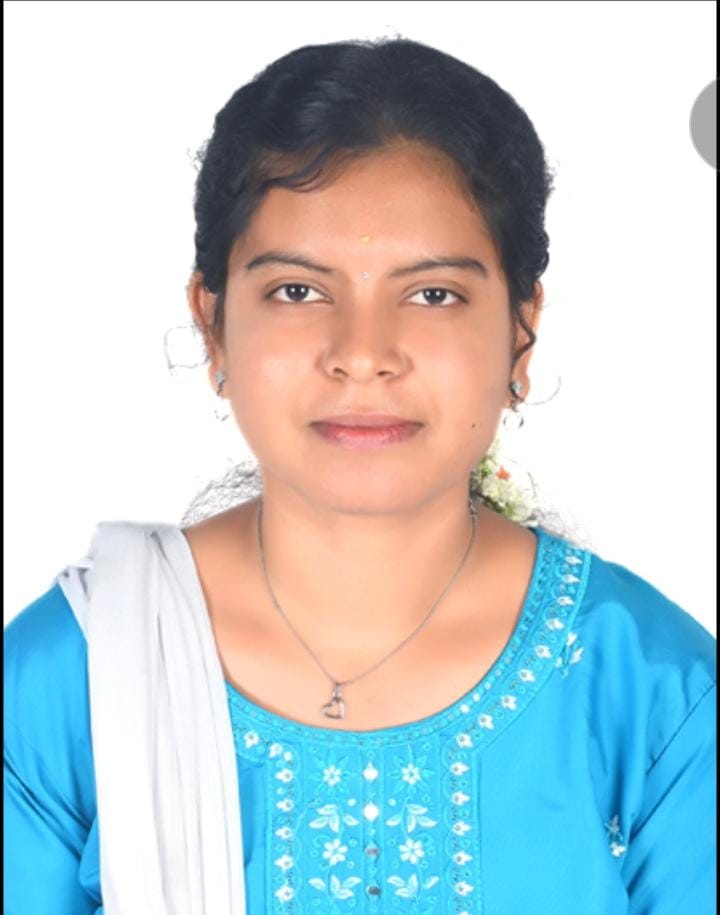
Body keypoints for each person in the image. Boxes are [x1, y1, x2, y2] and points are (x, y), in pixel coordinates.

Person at [4, 35, 716, 915]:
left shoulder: (655, 695)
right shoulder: (74, 677)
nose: (363, 353)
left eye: (433, 294)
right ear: (213, 324)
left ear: (520, 329)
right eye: (299, 291)